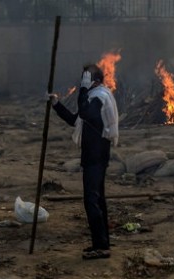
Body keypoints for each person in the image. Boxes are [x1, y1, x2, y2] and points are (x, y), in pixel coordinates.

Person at [49, 64, 119, 260]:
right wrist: (56, 104)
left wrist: (82, 90)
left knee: (92, 200)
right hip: (92, 156)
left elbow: (86, 113)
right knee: (97, 199)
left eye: (85, 79)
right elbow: (76, 120)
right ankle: (102, 243)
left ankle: (101, 246)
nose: (82, 82)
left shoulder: (99, 97)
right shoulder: (93, 97)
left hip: (97, 156)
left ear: (94, 81)